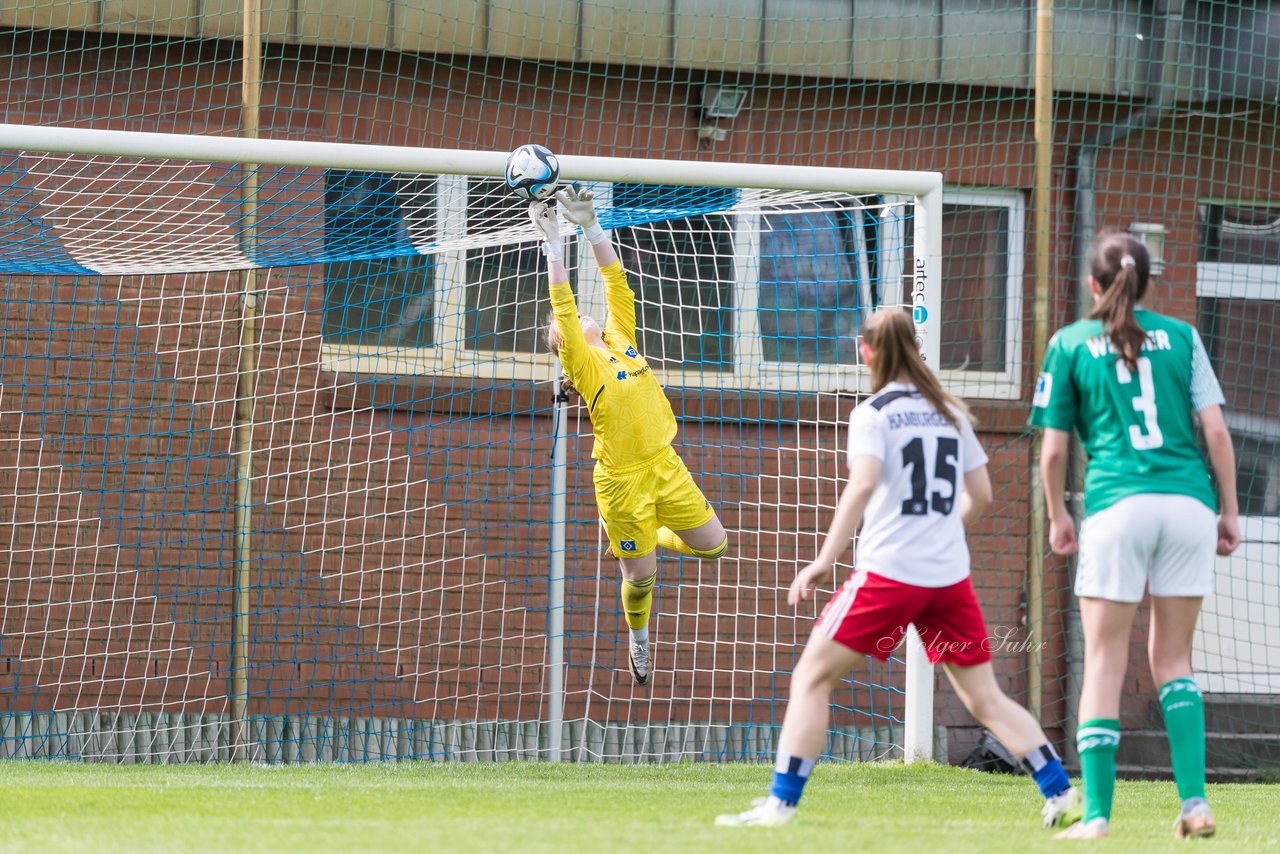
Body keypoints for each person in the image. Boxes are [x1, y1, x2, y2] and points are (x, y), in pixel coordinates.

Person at [716, 306, 1080, 831]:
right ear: (915, 346)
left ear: (866, 351)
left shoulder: (873, 413)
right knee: (985, 697)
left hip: (890, 574)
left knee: (812, 679)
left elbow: (862, 484)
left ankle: (781, 804)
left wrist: (824, 559)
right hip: (948, 577)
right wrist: (938, 529)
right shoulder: (951, 411)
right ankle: (1060, 792)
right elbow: (980, 495)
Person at [1031, 230, 1240, 840]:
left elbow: (1052, 453)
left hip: (1118, 506)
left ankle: (1096, 816)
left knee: (1104, 660)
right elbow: (1218, 434)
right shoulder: (1185, 337)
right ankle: (1195, 803)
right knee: (1174, 660)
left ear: (1092, 285)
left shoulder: (1069, 343)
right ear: (1147, 284)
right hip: (1189, 505)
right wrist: (1229, 511)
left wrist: (1058, 515)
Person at [530, 186, 729, 686]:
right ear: (565, 342)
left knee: (714, 547)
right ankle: (639, 639)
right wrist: (554, 247)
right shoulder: (583, 361)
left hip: (665, 465)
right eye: (566, 323)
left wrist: (590, 227)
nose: (576, 318)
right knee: (640, 580)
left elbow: (617, 283)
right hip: (621, 484)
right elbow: (563, 303)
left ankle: (652, 538)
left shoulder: (620, 339)